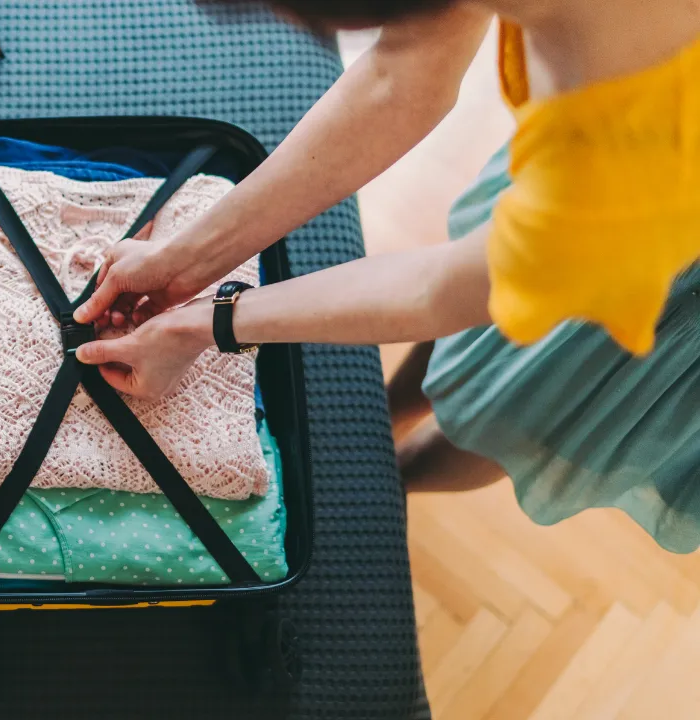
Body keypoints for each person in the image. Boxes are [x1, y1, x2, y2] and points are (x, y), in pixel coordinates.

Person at [73, 0, 700, 551]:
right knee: (476, 353)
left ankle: (396, 481)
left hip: (661, 263)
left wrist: (202, 326)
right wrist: (184, 263)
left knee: (527, 409)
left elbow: (444, 290)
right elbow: (398, 82)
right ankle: (392, 420)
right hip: (594, 183)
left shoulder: (632, 173)